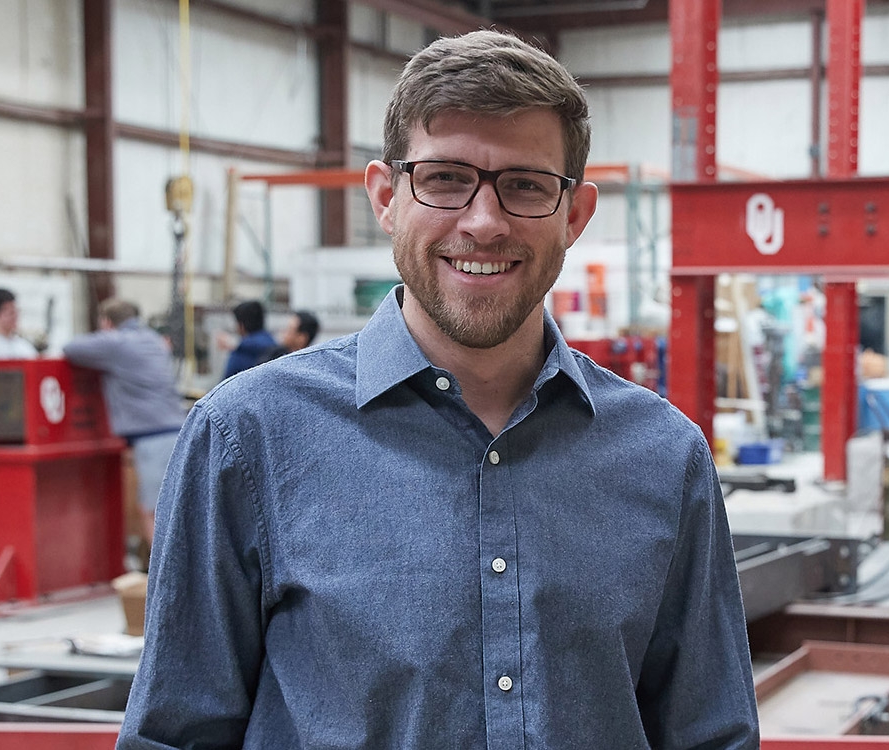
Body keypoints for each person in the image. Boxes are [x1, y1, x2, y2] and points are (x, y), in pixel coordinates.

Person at [119, 30, 758, 749]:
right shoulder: (250, 437)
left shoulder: (663, 458)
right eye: (446, 179)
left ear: (574, 215)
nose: (483, 223)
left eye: (525, 185)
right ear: (386, 197)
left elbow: (711, 735)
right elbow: (174, 735)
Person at [62, 299, 186, 546]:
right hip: (177, 431)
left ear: (107, 323)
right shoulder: (154, 341)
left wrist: (103, 336)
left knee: (154, 512)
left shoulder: (116, 342)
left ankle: (167, 580)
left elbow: (71, 349)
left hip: (152, 437)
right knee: (174, 507)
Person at [220, 300, 275, 379]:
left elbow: (225, 383)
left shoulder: (239, 354)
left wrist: (235, 344)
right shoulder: (273, 345)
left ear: (241, 325)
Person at [254, 310, 320, 366]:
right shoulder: (273, 355)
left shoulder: (311, 364)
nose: (284, 332)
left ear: (301, 338)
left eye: (289, 329)